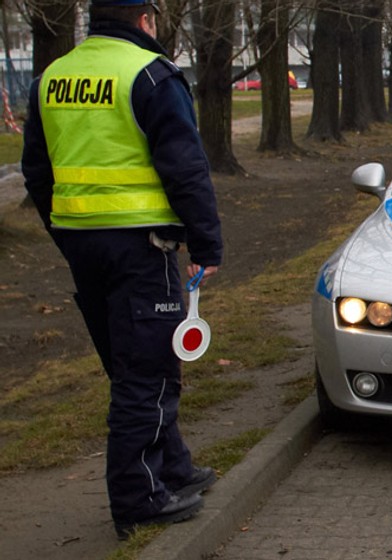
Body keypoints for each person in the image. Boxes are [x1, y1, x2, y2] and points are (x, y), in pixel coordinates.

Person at [21, 0, 223, 540]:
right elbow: (185, 167)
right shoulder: (150, 75)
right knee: (148, 370)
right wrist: (206, 243)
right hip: (142, 246)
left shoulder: (52, 78)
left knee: (133, 363)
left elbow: (36, 171)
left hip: (83, 245)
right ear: (145, 19)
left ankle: (173, 468)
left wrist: (67, 231)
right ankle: (139, 498)